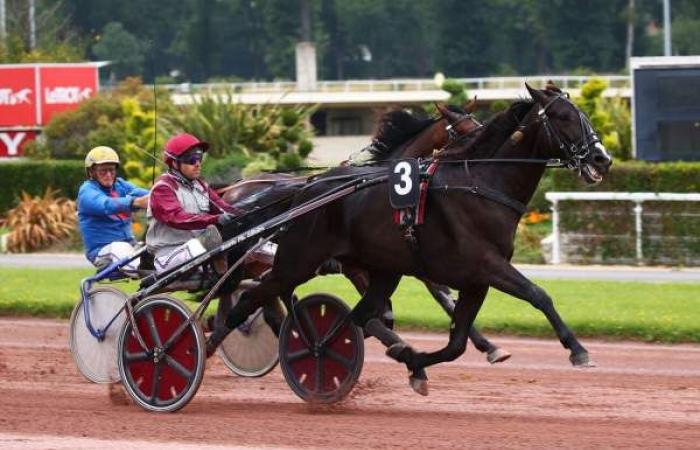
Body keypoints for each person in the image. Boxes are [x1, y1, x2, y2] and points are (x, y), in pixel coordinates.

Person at [146, 133, 239, 274]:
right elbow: (176, 217)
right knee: (211, 237)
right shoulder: (163, 188)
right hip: (169, 257)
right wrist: (215, 219)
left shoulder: (201, 186)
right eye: (191, 159)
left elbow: (224, 208)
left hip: (200, 252)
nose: (197, 164)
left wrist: (249, 213)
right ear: (175, 163)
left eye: (200, 158)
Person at [77, 146, 149, 273]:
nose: (109, 175)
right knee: (120, 247)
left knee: (152, 249)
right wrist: (136, 202)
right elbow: (106, 205)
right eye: (103, 171)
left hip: (130, 245)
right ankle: (146, 271)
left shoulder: (120, 185)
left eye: (111, 170)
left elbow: (140, 192)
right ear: (91, 172)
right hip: (102, 252)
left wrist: (161, 194)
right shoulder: (87, 191)